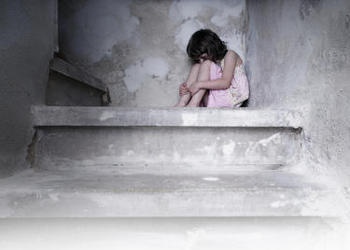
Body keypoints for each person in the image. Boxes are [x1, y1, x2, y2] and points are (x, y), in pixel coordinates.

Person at [175, 29, 249, 108]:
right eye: (198, 59)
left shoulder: (230, 55)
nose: (201, 61)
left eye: (203, 57)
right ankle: (182, 103)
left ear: (211, 48)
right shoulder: (214, 64)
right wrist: (187, 88)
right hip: (215, 99)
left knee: (206, 64)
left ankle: (193, 104)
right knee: (196, 66)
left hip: (231, 98)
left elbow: (225, 83)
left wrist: (198, 84)